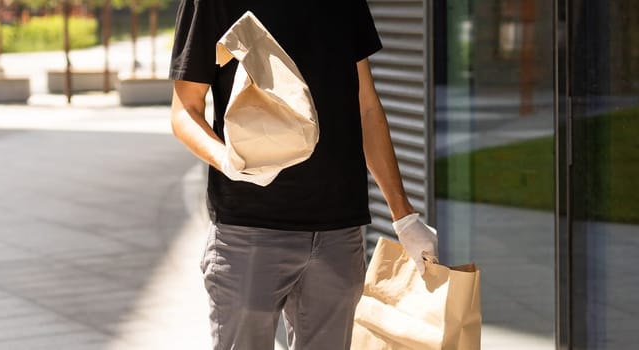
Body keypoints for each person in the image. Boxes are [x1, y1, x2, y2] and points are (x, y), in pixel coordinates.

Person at [168, 1, 439, 349]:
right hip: (249, 230)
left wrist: (404, 216)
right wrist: (227, 160)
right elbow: (185, 111)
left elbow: (366, 105)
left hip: (339, 231)